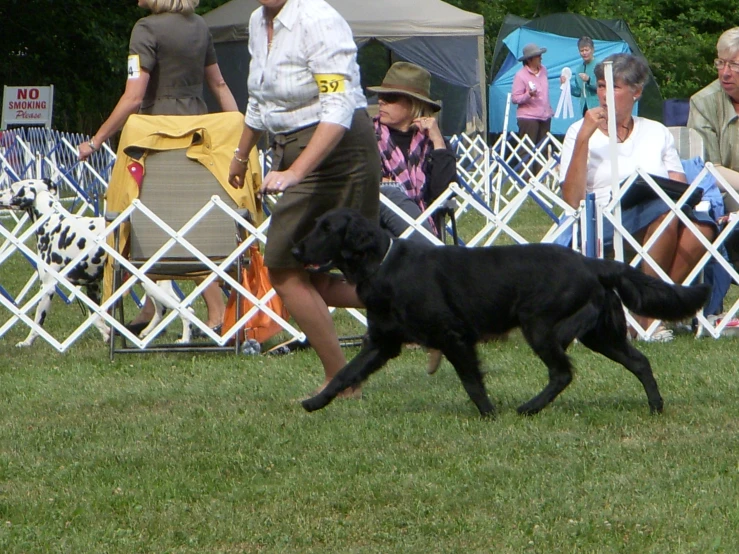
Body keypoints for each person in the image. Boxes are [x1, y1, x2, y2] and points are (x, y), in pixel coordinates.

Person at [228, 0, 380, 396]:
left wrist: (297, 172)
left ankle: (341, 380)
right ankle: (420, 306)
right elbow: (258, 101)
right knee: (312, 278)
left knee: (281, 264)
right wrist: (240, 155)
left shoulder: (318, 19)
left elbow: (339, 106)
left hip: (339, 151)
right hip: (292, 150)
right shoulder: (257, 23)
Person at [78, 0, 240, 335]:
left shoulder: (145, 29)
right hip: (200, 135)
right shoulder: (199, 26)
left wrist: (96, 140)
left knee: (160, 223)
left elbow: (134, 97)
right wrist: (238, 135)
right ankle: (154, 306)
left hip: (157, 137)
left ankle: (216, 309)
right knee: (189, 221)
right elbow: (220, 86)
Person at [560, 53, 716, 342]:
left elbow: (678, 188)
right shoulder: (578, 132)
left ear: (637, 92)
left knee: (702, 228)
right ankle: (651, 318)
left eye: (615, 87)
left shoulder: (656, 132)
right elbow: (571, 199)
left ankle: (643, 316)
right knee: (665, 215)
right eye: (601, 87)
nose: (605, 95)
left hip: (658, 213)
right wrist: (584, 137)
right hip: (604, 220)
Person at [367, 62, 457, 242]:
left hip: (423, 222)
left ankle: (428, 253)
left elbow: (445, 195)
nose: (381, 101)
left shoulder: (433, 142)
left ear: (414, 103)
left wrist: (438, 142)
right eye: (380, 95)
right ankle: (432, 255)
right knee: (388, 193)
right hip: (378, 229)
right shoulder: (367, 136)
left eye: (390, 97)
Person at [688, 27, 739, 213]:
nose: (725, 73)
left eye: (734, 65)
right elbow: (708, 169)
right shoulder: (703, 102)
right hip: (726, 194)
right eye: (721, 63)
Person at [511, 43, 554, 147]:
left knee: (543, 149)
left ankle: (543, 164)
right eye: (538, 56)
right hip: (528, 118)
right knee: (527, 149)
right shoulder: (520, 75)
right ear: (529, 60)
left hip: (545, 116)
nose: (541, 57)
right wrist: (528, 95)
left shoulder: (544, 70)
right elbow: (515, 98)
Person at [562, 36, 599, 116]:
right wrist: (567, 85)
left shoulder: (599, 66)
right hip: (585, 109)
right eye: (581, 51)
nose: (584, 53)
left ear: (592, 50)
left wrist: (589, 80)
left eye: (586, 50)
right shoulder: (579, 69)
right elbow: (579, 92)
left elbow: (603, 88)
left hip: (598, 108)